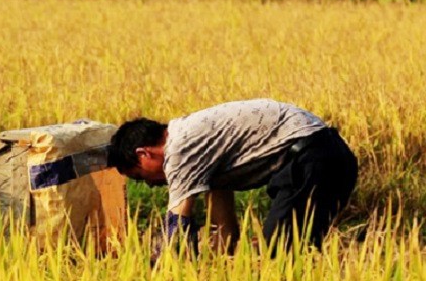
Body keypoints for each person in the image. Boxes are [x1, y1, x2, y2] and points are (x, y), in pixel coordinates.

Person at [107, 99, 358, 255]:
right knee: (291, 250)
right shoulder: (199, 150)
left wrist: (159, 274)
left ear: (143, 154)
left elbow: (176, 227)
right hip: (326, 157)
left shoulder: (180, 148)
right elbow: (225, 233)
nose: (151, 186)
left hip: (314, 160)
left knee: (279, 252)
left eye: (140, 177)